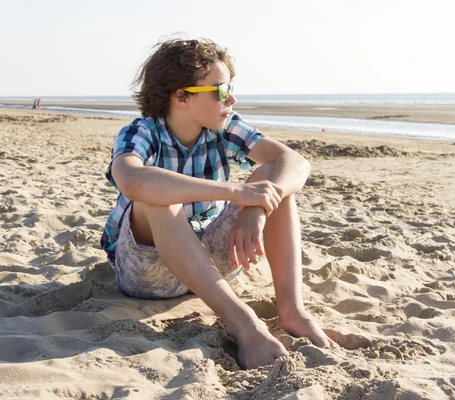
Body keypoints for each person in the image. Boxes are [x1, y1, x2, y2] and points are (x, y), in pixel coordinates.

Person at [101, 38, 336, 369]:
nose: (232, 98)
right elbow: (133, 181)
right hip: (145, 272)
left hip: (207, 263)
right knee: (157, 197)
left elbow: (296, 162)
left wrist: (256, 207)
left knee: (273, 177)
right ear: (180, 96)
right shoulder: (142, 132)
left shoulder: (224, 127)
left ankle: (292, 311)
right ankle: (245, 325)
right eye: (220, 91)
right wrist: (234, 192)